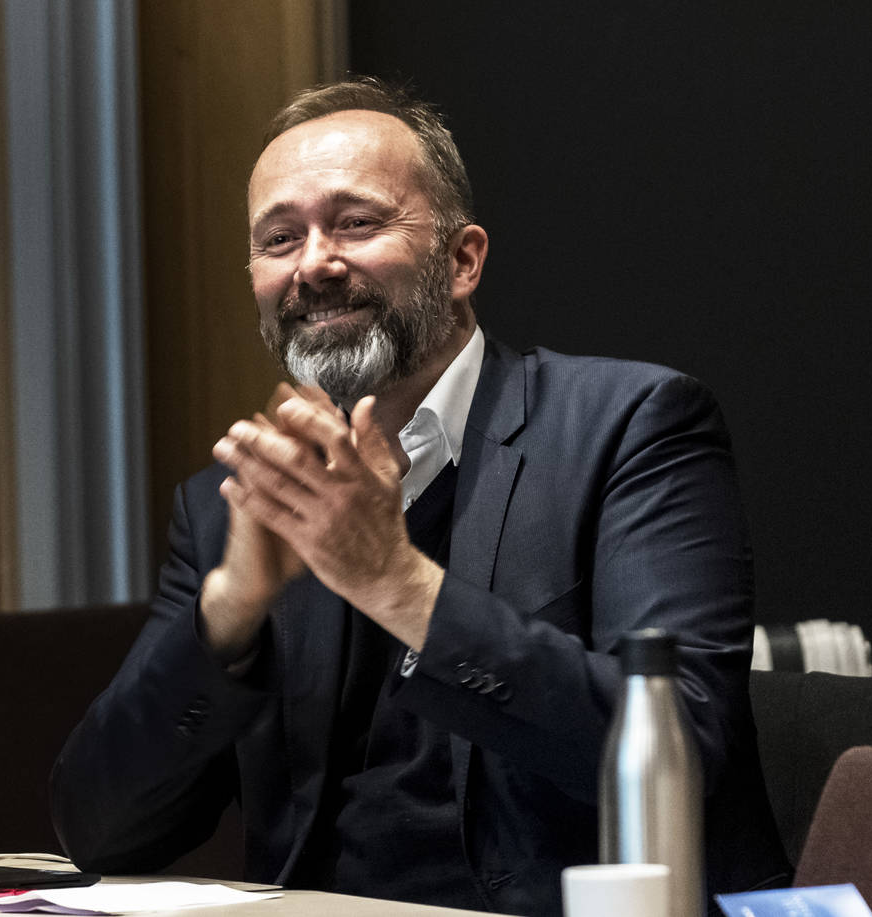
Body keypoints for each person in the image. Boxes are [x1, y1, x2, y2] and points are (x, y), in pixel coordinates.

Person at [51, 77, 790, 916]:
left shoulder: (631, 429)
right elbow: (99, 833)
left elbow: (684, 750)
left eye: (356, 222)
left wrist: (395, 583)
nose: (315, 262)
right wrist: (228, 611)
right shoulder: (230, 502)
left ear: (463, 259)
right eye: (280, 238)